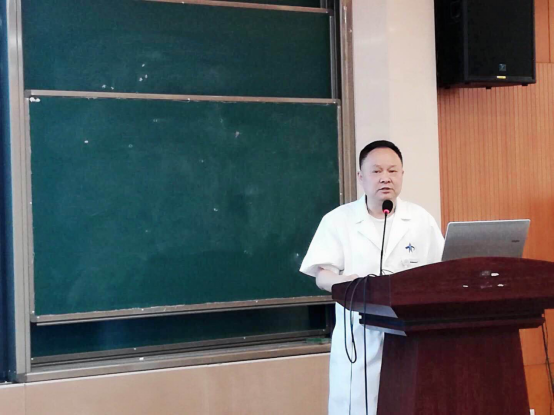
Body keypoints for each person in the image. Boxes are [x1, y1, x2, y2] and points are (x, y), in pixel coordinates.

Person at [300, 140, 444, 415]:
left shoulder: (420, 219)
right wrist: (349, 283)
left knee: (409, 404)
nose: (385, 178)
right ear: (361, 177)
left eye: (393, 170)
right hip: (360, 337)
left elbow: (440, 270)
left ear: (402, 174)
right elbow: (321, 275)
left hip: (410, 335)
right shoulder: (338, 220)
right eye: (377, 171)